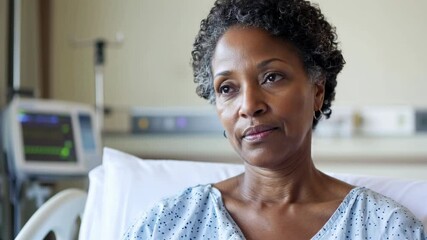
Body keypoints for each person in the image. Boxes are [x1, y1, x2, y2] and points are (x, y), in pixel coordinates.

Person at [125, 0, 426, 239]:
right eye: (227, 88)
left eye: (271, 77)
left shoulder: (383, 228)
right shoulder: (169, 224)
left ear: (317, 91)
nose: (249, 106)